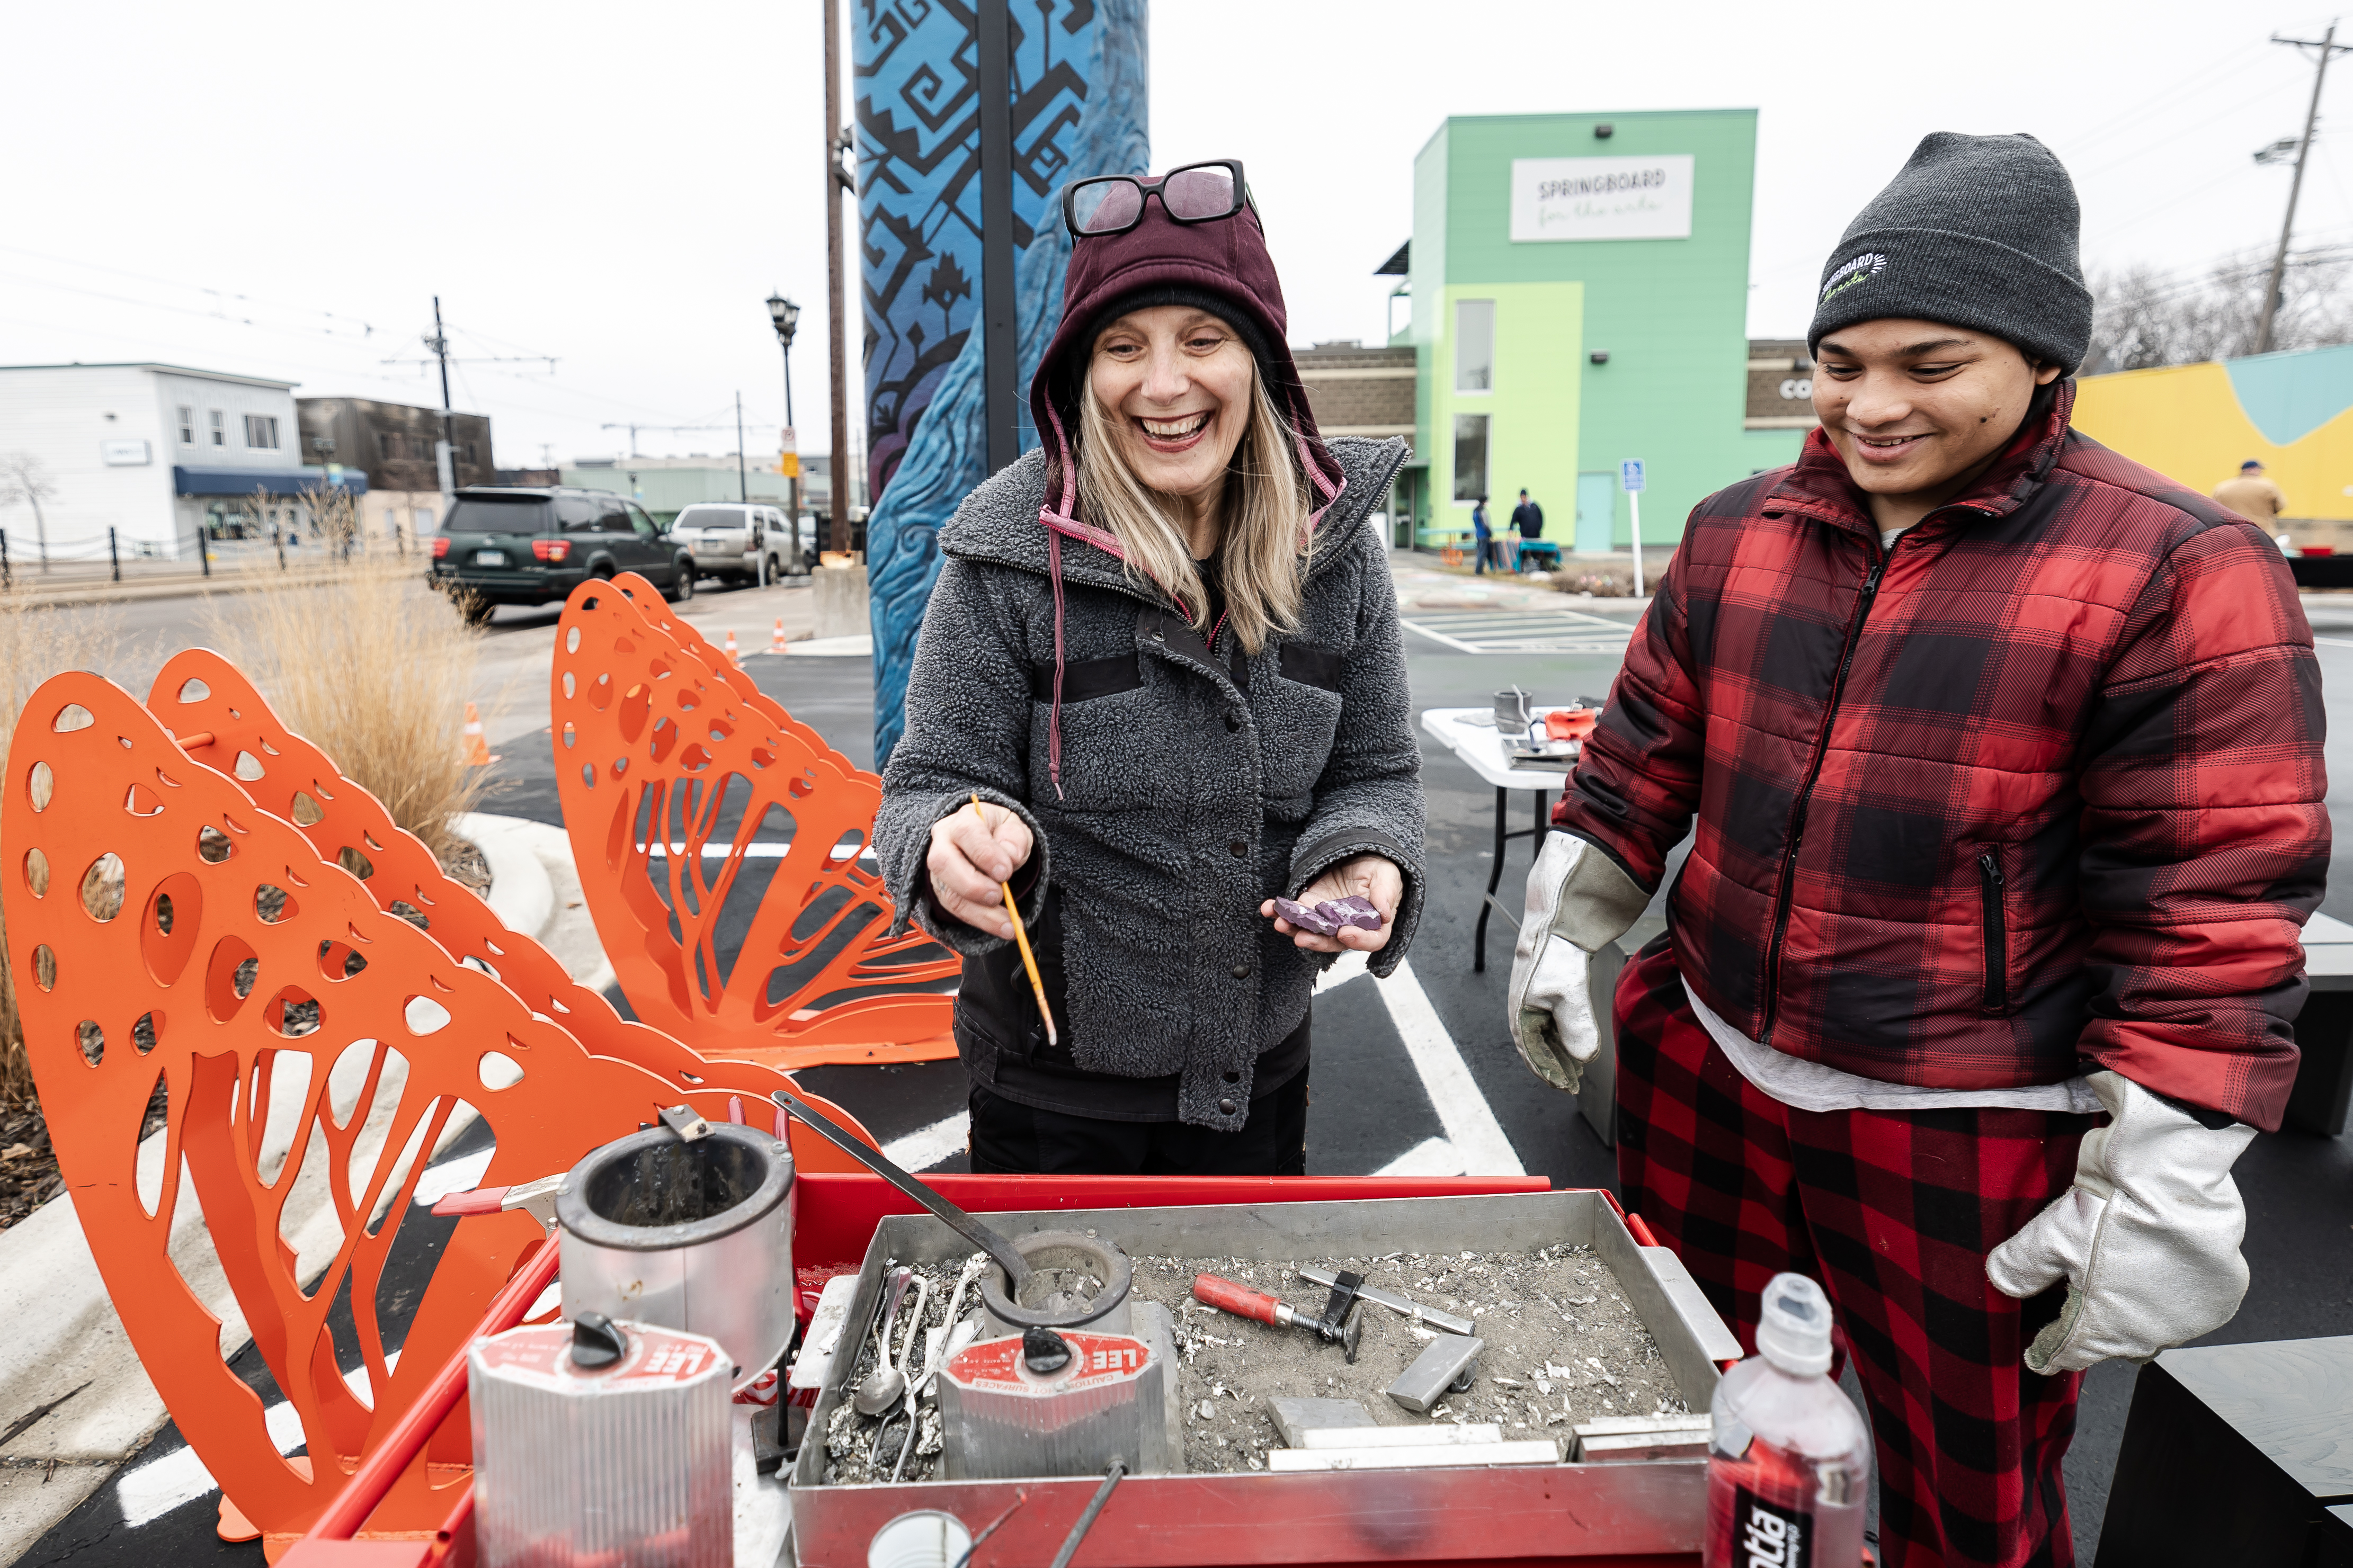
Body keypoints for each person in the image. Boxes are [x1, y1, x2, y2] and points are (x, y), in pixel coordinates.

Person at [1507, 132, 2324, 1566]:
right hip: (1708, 1069)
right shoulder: (1732, 531)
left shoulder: (2174, 565)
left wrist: (2166, 1162)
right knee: (1676, 1416)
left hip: (1971, 1120)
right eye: (1840, 360)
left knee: (1970, 1490)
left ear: (2037, 355)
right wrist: (1568, 921)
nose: (1869, 405)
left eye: (1926, 364)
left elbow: (2210, 893)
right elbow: (1642, 755)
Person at [874, 159, 1425, 1176]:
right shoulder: (1001, 555)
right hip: (1045, 1095)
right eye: (1122, 347)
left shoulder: (1337, 555)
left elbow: (1375, 774)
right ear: (1080, 376)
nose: (1163, 385)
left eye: (1203, 340)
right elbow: (923, 785)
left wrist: (1365, 855)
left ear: (1258, 360)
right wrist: (950, 838)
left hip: (1258, 1073)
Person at [2215, 458, 2287, 521]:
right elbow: (2280, 506)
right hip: (2261, 530)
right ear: (2253, 470)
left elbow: (2214, 508)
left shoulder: (2223, 487)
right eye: (2260, 470)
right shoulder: (2268, 486)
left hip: (2232, 531)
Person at [1470, 495, 1495, 573]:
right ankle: (1479, 570)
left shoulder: (1475, 511)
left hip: (1478, 534)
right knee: (1483, 552)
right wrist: (1490, 532)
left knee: (1479, 552)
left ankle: (1479, 569)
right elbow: (1486, 524)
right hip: (1484, 534)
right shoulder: (1482, 511)